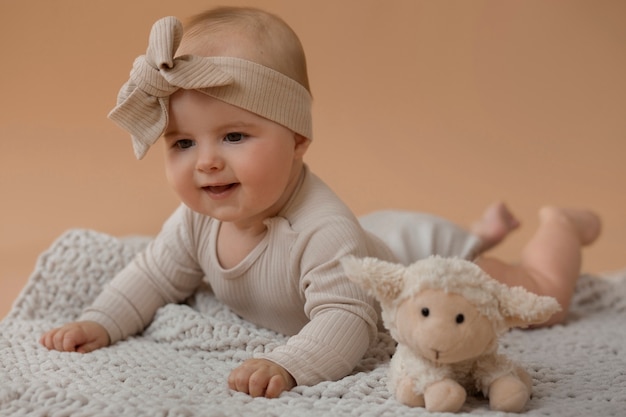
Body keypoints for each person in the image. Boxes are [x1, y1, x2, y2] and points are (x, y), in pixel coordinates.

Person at [40, 7, 601, 399]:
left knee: (533, 291)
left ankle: (559, 228)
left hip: (418, 259)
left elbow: (347, 321)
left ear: (297, 139)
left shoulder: (325, 232)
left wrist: (289, 362)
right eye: (183, 143)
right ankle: (484, 227)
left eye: (234, 136)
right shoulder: (195, 220)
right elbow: (153, 276)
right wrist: (103, 321)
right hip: (376, 233)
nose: (206, 161)